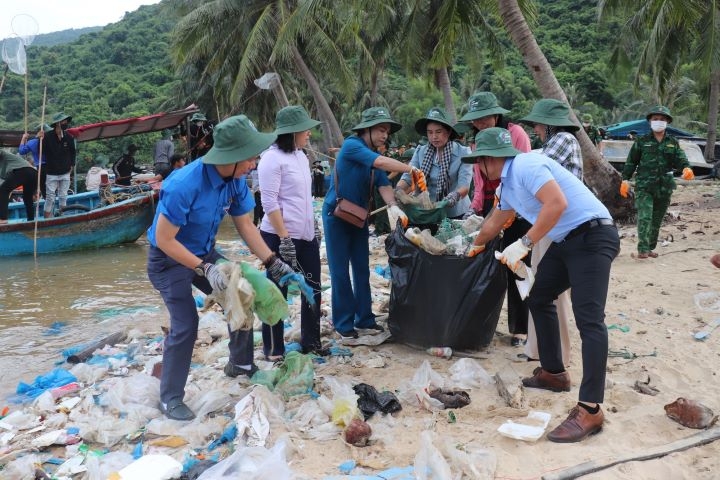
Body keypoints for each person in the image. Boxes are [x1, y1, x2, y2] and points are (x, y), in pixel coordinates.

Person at [465, 127, 620, 443]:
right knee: (537, 297)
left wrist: (524, 244)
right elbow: (496, 220)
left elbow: (556, 204)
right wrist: (471, 246)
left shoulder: (526, 165)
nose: (477, 168)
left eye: (477, 161)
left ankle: (590, 409)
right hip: (568, 240)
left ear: (487, 160)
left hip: (593, 235)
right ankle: (554, 373)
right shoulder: (508, 185)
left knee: (590, 320)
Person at [146, 114, 295, 421]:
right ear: (234, 155)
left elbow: (246, 227)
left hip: (203, 252)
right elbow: (164, 239)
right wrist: (205, 268)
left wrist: (272, 261)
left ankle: (239, 364)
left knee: (240, 294)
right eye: (251, 157)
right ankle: (170, 397)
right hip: (168, 259)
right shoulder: (184, 184)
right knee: (186, 324)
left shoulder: (236, 181)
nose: (254, 163)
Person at [322, 107, 422, 341]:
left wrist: (393, 206)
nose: (384, 135)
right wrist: (411, 168)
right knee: (339, 272)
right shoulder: (352, 145)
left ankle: (364, 319)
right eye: (380, 129)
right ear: (366, 129)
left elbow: (384, 186)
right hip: (336, 215)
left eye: (386, 131)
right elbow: (380, 162)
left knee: (361, 268)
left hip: (358, 217)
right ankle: (344, 324)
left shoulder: (372, 155)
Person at [459, 92, 532, 347]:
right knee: (490, 267)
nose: (480, 123)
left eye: (484, 117)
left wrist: (509, 213)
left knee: (517, 266)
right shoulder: (476, 143)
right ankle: (482, 322)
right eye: (475, 120)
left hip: (519, 209)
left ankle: (520, 329)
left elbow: (521, 175)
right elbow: (479, 182)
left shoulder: (516, 134)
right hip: (495, 205)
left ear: (497, 114)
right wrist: (477, 210)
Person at [258, 105, 326, 359]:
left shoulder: (300, 156)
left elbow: (304, 197)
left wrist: (314, 225)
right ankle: (274, 350)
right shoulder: (271, 159)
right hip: (279, 235)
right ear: (291, 132)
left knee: (313, 287)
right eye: (304, 129)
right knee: (277, 291)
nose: (309, 133)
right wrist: (284, 237)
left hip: (306, 234)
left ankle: (311, 342)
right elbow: (269, 203)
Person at [519, 98, 581, 363]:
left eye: (538, 124)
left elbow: (534, 166)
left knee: (548, 290)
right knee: (541, 286)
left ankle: (556, 353)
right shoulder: (559, 141)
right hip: (554, 222)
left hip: (557, 222)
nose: (536, 129)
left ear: (548, 124)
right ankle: (537, 348)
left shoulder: (563, 140)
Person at [620, 105, 694, 259]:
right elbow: (631, 162)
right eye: (655, 119)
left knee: (657, 219)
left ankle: (650, 247)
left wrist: (686, 168)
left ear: (667, 122)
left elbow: (680, 158)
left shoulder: (672, 142)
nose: (658, 122)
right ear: (650, 121)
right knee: (645, 216)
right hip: (645, 185)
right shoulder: (642, 141)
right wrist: (625, 179)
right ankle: (642, 250)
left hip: (665, 186)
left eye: (662, 119)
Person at [395, 107, 472, 228]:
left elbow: (464, 186)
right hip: (427, 212)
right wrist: (399, 190)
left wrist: (451, 198)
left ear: (448, 132)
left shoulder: (463, 153)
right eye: (430, 132)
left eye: (438, 132)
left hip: (455, 213)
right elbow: (408, 177)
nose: (434, 137)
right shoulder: (420, 151)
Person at [42, 112, 76, 219]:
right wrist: (39, 138)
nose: (66, 123)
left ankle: (62, 217)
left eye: (66, 121)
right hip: (51, 172)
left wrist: (72, 165)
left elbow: (73, 152)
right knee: (50, 198)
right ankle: (47, 219)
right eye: (63, 121)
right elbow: (41, 150)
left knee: (63, 196)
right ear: (57, 123)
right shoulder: (47, 137)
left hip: (65, 171)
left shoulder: (69, 137)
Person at [0, 150, 37, 224]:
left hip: (23, 171)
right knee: (27, 198)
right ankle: (31, 221)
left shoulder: (3, 154)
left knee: (3, 190)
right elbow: (5, 180)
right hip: (33, 173)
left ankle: (3, 219)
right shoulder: (4, 167)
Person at [19, 124, 51, 198]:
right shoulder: (50, 140)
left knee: (44, 188)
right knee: (51, 188)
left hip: (41, 167)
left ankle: (48, 203)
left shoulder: (32, 142)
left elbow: (21, 151)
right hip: (51, 166)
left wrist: (23, 138)